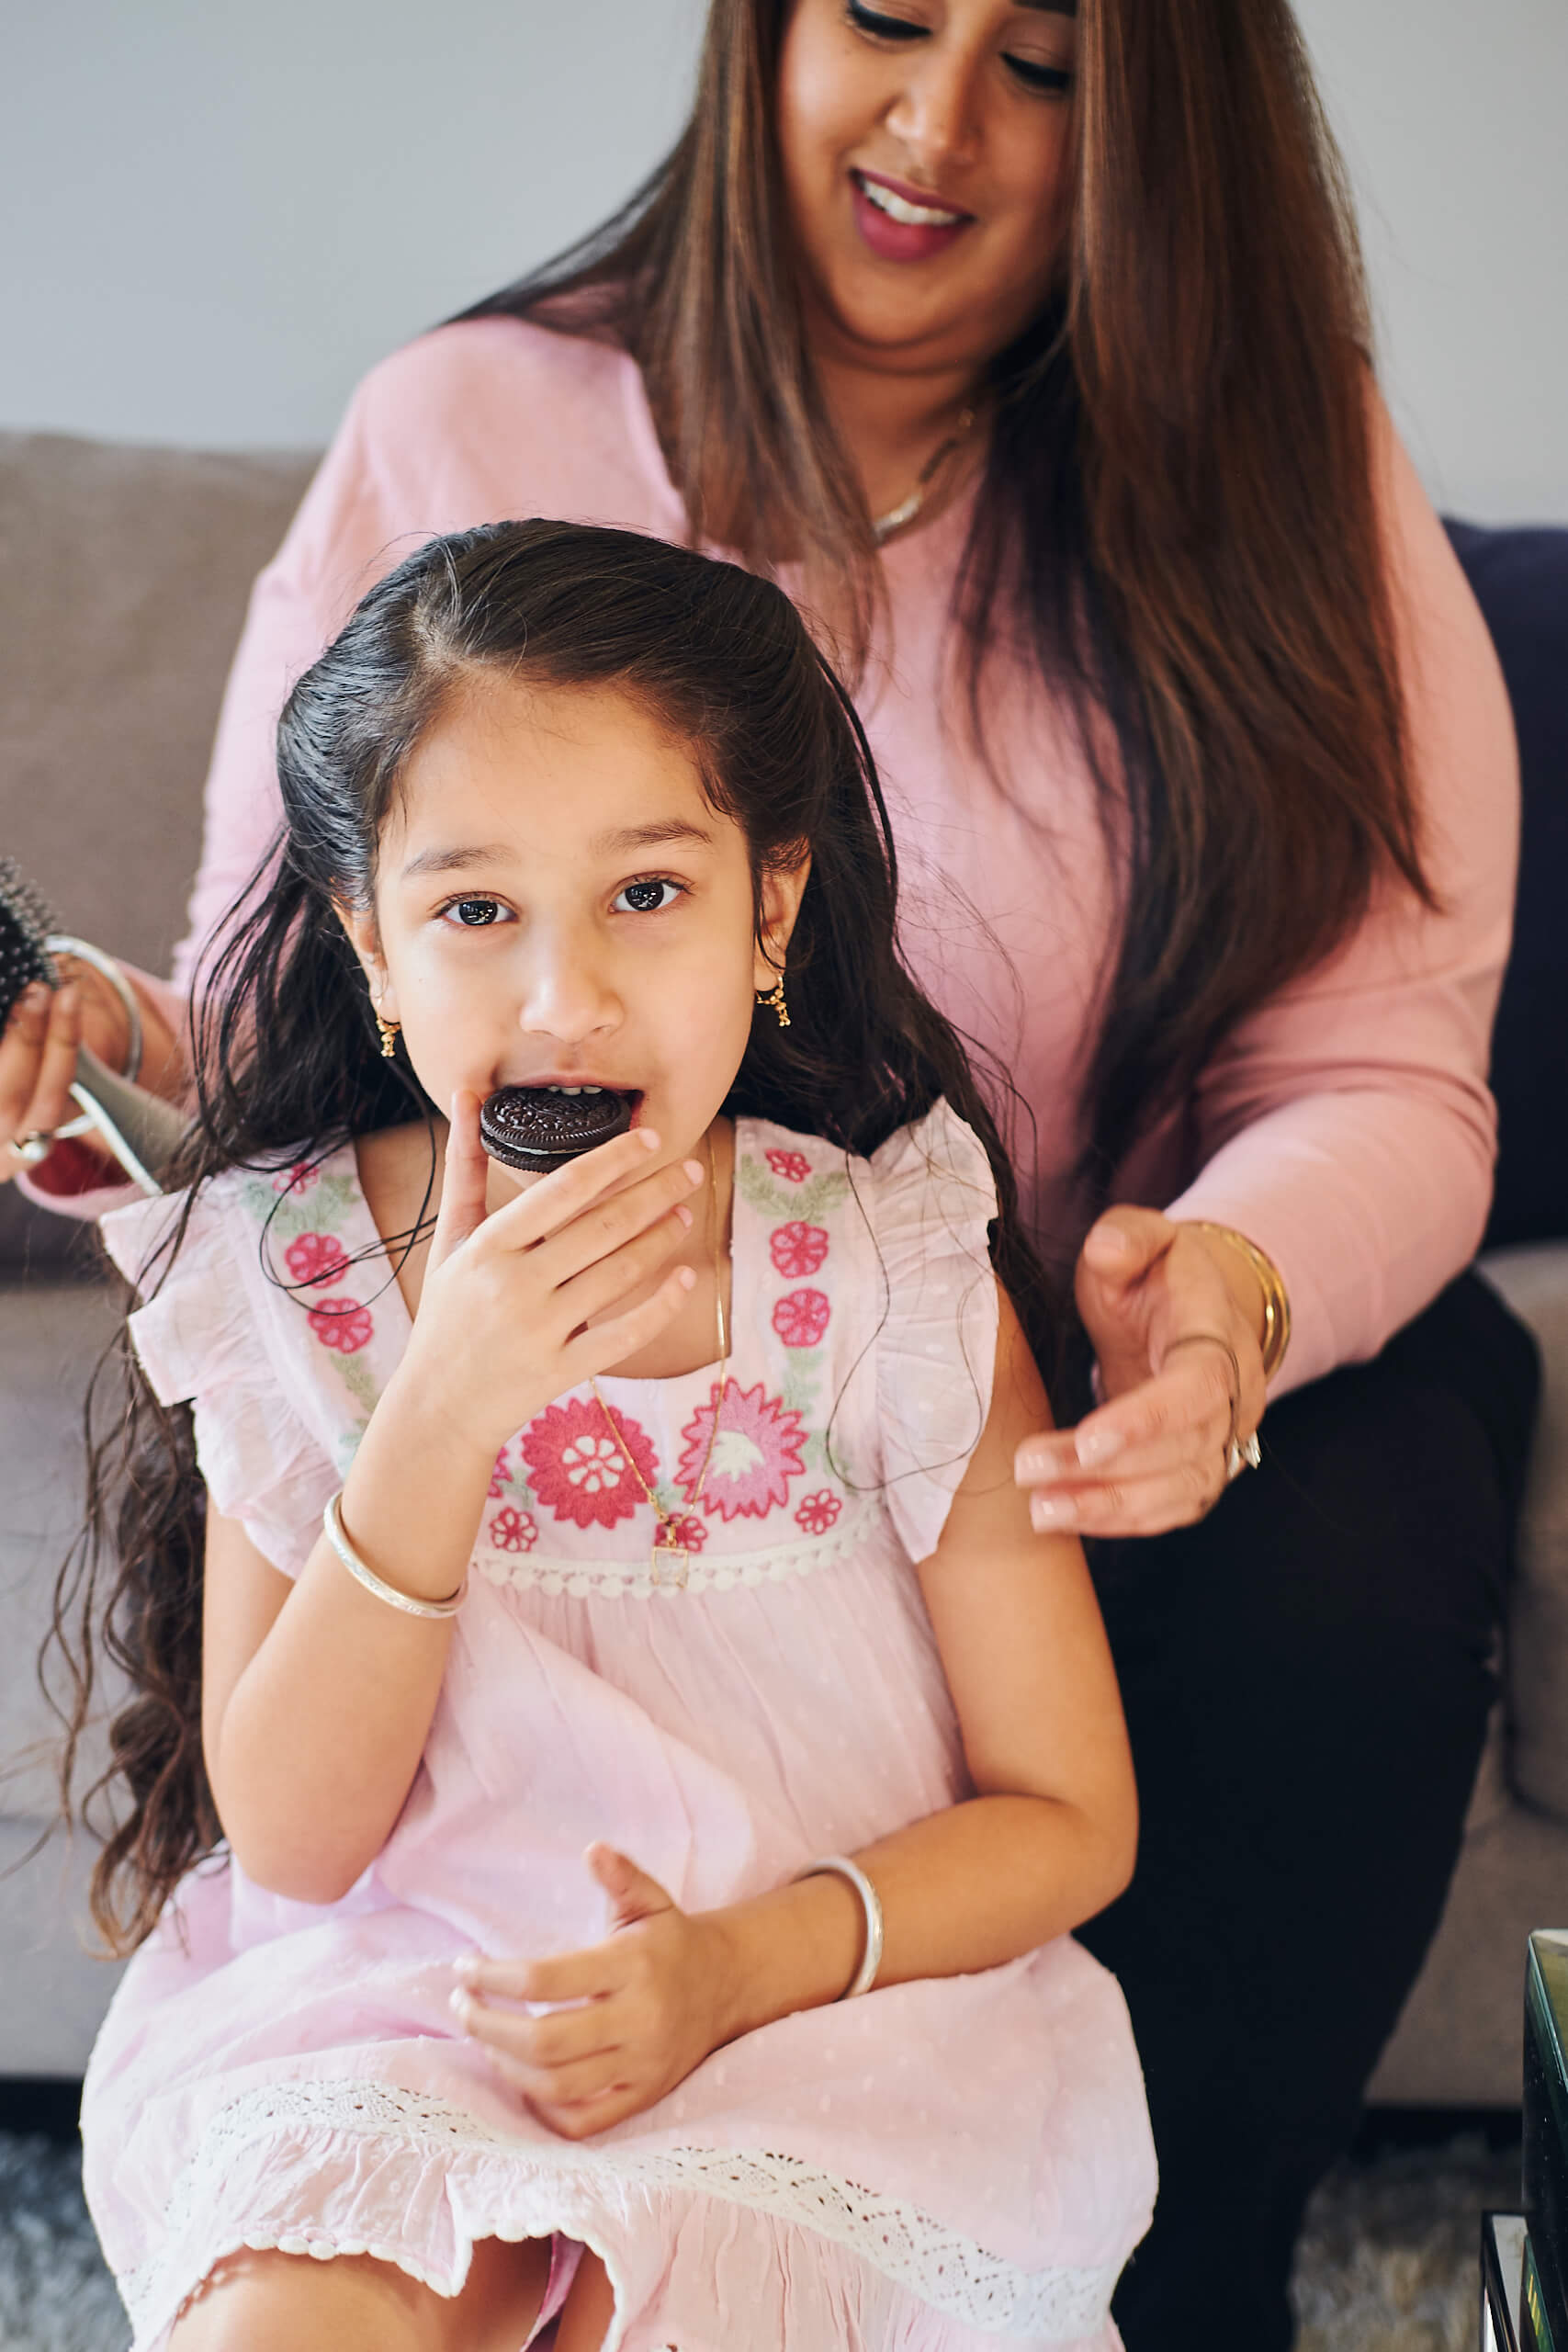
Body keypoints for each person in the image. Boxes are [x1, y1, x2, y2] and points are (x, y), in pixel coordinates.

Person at [14, 1, 1539, 2340]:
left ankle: (1177, 2267)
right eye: (884, 21)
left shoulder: (1263, 467)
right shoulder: (464, 432)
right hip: (415, 1927)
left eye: (1039, 61)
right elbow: (301, 1001)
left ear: (775, 899)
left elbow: (1382, 1055)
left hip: (1044, 1374)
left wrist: (1225, 1276)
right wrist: (159, 1080)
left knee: (1369, 1511)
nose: (931, 121)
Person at [68, 518, 1156, 2352]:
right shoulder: (295, 1261)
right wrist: (439, 1413)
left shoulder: (882, 1267)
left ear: (770, 910)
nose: (562, 993)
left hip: (813, 2016)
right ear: (371, 943)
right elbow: (298, 1840)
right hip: (399, 2003)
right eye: (475, 907)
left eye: (644, 893)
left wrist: (735, 1964)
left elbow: (1068, 1813)